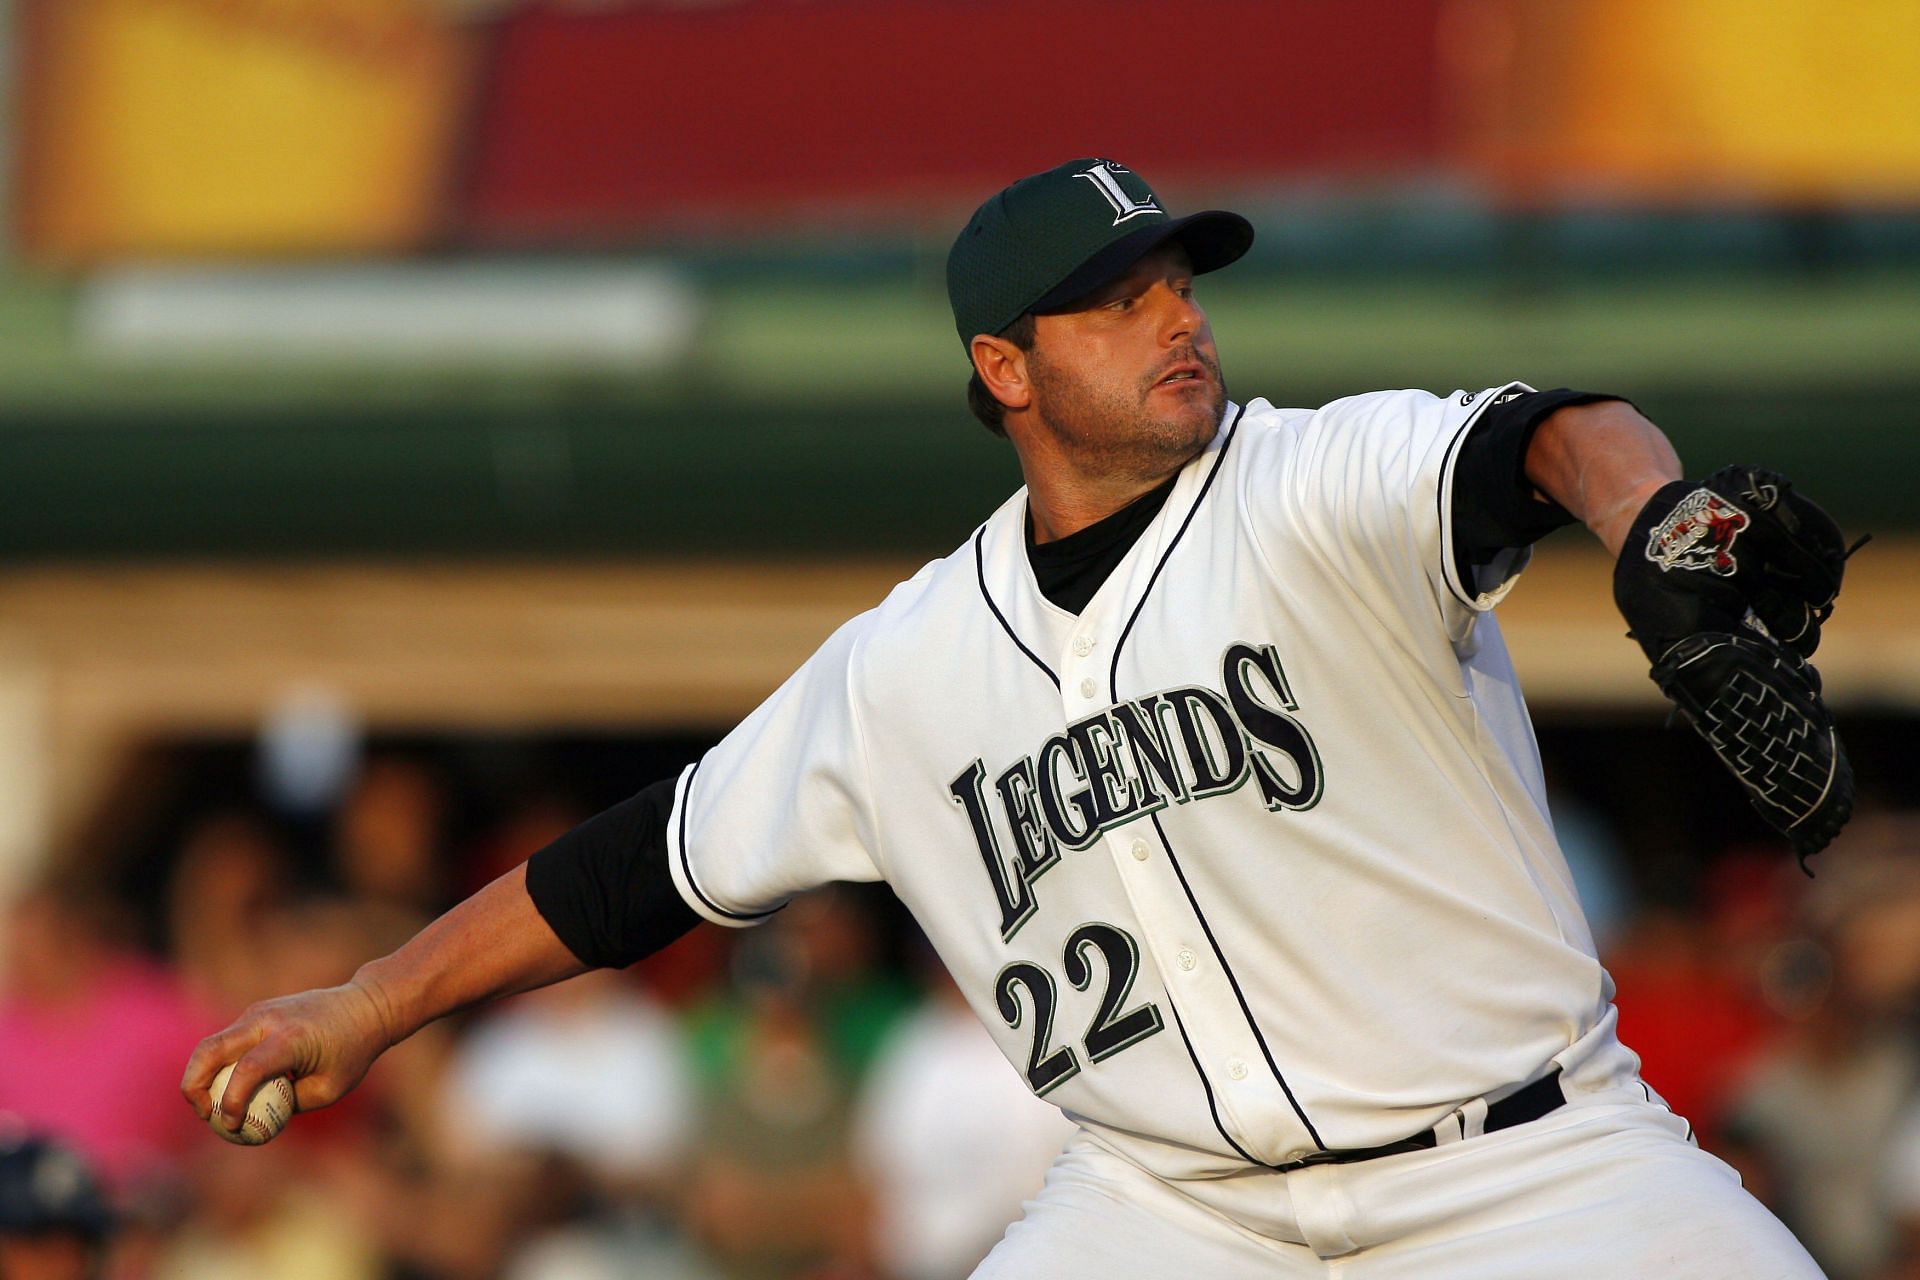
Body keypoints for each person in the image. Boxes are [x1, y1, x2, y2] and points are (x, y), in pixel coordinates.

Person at [184, 158, 1854, 1277]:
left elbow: (1547, 433)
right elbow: (639, 871)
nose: (1177, 315)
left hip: (1530, 1175)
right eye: (1116, 300)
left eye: (1179, 283)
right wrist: (373, 1000)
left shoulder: (1306, 481)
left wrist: (1661, 527)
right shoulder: (908, 662)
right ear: (1005, 369)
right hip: (1171, 1213)